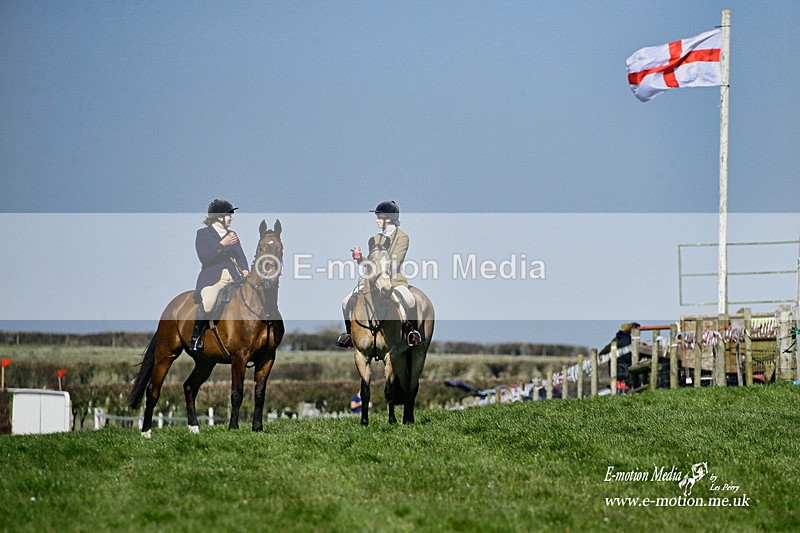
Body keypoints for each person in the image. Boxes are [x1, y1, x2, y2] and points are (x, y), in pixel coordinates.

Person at [336, 200, 422, 348]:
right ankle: (350, 334)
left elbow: (396, 260)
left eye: (379, 217)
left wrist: (381, 272)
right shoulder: (375, 239)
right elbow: (371, 263)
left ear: (388, 219)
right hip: (372, 281)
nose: (376, 221)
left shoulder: (402, 237)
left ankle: (411, 332)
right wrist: (360, 258)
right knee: (345, 302)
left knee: (410, 300)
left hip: (394, 281)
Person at [190, 199, 250, 352]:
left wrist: (245, 269)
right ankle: (196, 338)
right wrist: (222, 245)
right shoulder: (203, 234)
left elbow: (240, 255)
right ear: (219, 217)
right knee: (209, 302)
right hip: (213, 279)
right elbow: (205, 257)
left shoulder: (232, 234)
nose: (231, 218)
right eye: (229, 215)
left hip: (234, 277)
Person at [599, 322, 641, 390]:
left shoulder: (615, 340)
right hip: (625, 372)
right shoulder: (629, 341)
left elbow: (602, 353)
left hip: (615, 371)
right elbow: (629, 357)